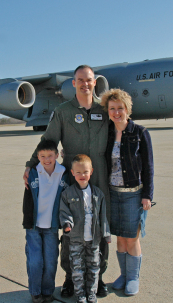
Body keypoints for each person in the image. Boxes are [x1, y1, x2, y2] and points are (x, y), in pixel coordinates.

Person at [24, 65, 110, 298]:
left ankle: (98, 276)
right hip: (72, 177)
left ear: (95, 82)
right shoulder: (64, 111)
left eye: (89, 80)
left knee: (98, 227)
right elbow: (48, 139)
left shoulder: (105, 109)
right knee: (70, 228)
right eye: (80, 80)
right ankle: (71, 277)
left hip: (100, 174)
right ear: (74, 83)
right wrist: (31, 164)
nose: (85, 84)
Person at [100, 89, 154, 296]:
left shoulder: (140, 133)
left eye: (119, 108)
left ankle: (133, 277)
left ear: (127, 109)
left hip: (133, 193)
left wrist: (147, 195)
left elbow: (148, 167)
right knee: (120, 238)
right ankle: (123, 274)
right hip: (113, 193)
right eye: (112, 109)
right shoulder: (107, 134)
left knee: (132, 238)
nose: (116, 112)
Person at [22, 140, 70, 303]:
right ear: (38, 157)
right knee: (35, 261)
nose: (47, 159)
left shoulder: (64, 174)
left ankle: (48, 291)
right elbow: (27, 200)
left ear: (57, 155)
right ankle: (36, 292)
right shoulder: (33, 173)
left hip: (52, 226)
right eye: (42, 156)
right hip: (34, 226)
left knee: (50, 261)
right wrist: (27, 222)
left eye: (50, 155)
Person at [59, 154, 111, 303]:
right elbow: (64, 211)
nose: (82, 175)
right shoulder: (67, 194)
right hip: (75, 239)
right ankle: (80, 295)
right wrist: (67, 224)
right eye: (79, 172)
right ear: (72, 172)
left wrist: (106, 233)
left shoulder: (98, 194)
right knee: (77, 269)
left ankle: (91, 293)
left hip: (93, 240)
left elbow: (103, 215)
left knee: (94, 267)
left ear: (91, 171)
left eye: (85, 172)